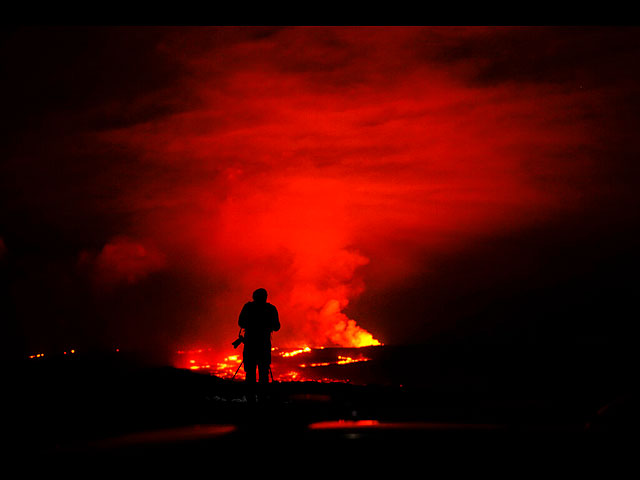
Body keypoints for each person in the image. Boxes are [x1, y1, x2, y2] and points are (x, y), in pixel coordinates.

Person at [238, 288, 280, 402]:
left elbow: (240, 323)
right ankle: (262, 399)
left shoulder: (248, 307)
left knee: (250, 373)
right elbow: (277, 327)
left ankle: (250, 399)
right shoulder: (270, 309)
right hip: (263, 345)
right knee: (263, 373)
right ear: (266, 297)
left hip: (250, 345)